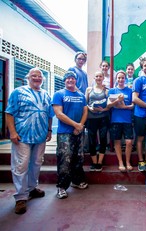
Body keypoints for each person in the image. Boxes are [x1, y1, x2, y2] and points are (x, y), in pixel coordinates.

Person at [5, 67, 53, 214]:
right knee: (21, 165)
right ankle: (20, 197)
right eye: (34, 76)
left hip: (40, 136)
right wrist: (12, 132)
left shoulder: (46, 95)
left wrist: (49, 130)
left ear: (43, 79)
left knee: (37, 163)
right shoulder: (18, 92)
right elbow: (9, 113)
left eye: (39, 76)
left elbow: (49, 114)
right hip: (22, 136)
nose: (37, 78)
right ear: (28, 78)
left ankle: (32, 188)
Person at [53, 71, 88, 199]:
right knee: (65, 158)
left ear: (75, 81)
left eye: (72, 78)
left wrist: (80, 126)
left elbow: (85, 111)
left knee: (78, 157)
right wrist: (75, 125)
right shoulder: (59, 94)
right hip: (64, 133)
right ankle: (61, 187)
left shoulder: (81, 95)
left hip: (79, 132)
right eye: (68, 79)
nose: (70, 80)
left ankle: (77, 181)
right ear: (64, 81)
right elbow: (59, 114)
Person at [108, 70, 134, 171]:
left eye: (122, 78)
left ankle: (127, 161)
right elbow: (108, 105)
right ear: (116, 79)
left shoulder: (129, 91)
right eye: (119, 78)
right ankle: (120, 162)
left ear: (125, 79)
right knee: (117, 142)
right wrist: (117, 101)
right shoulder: (112, 91)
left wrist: (124, 107)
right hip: (115, 120)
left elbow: (132, 106)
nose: (121, 79)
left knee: (128, 142)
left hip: (127, 120)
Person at [85, 71, 110, 171]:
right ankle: (94, 162)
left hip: (103, 118)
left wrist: (103, 109)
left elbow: (109, 105)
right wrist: (89, 108)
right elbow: (85, 103)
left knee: (103, 139)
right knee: (91, 140)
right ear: (94, 78)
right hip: (91, 118)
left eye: (100, 76)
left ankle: (100, 162)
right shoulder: (89, 89)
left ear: (103, 78)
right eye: (97, 76)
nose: (98, 78)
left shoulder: (106, 90)